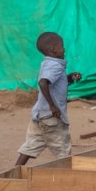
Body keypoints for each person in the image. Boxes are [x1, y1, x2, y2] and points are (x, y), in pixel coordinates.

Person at [15, 32, 81, 166]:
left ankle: (15, 171)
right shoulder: (55, 65)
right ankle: (68, 178)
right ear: (53, 50)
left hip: (40, 115)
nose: (64, 49)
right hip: (52, 118)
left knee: (31, 145)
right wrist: (52, 106)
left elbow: (53, 84)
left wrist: (70, 78)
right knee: (63, 150)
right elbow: (43, 82)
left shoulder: (47, 63)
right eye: (62, 46)